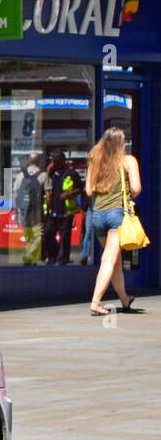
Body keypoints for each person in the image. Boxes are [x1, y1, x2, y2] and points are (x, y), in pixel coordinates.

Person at [86, 127, 142, 316]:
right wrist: (126, 191)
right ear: (120, 144)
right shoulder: (128, 161)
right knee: (109, 259)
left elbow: (89, 190)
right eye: (124, 140)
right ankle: (95, 302)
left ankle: (125, 300)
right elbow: (136, 188)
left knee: (115, 260)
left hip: (97, 215)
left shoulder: (95, 159)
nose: (125, 144)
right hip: (116, 214)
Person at [15, 152, 46, 266]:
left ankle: (31, 260)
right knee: (38, 237)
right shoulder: (43, 175)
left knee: (28, 237)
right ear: (39, 161)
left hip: (24, 212)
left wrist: (15, 211)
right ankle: (29, 256)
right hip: (37, 212)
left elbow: (16, 194)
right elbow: (49, 195)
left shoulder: (20, 176)